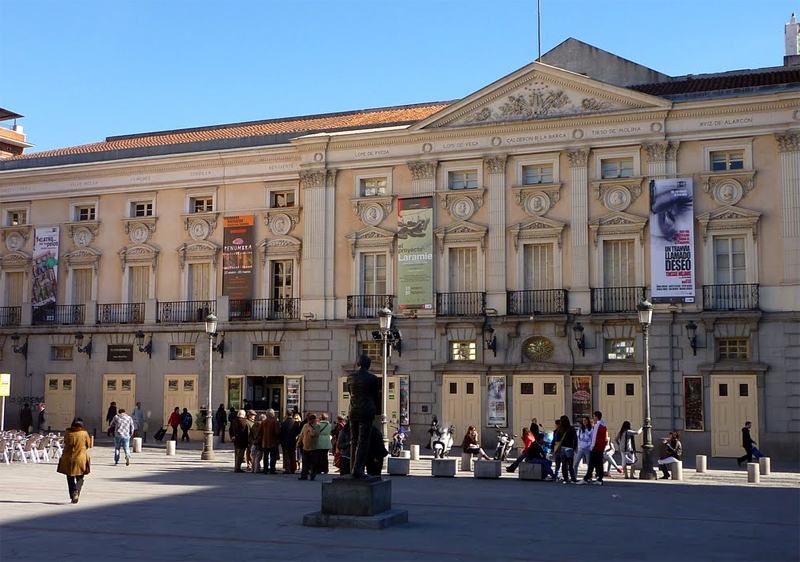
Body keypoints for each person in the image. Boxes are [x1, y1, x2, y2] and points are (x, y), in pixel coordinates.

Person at [347, 355, 380, 478]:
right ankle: (358, 469)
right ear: (369, 364)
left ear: (358, 364)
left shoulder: (350, 377)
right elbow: (376, 396)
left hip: (353, 410)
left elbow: (351, 393)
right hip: (366, 411)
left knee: (354, 439)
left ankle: (352, 468)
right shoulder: (372, 378)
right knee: (363, 440)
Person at [57, 418, 91, 503]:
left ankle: (72, 495)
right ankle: (76, 491)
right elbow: (89, 444)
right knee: (80, 477)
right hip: (80, 457)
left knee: (69, 477)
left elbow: (65, 442)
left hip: (68, 457)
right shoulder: (84, 433)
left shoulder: (68, 432)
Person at [578, 411, 607, 486]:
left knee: (592, 463)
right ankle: (599, 478)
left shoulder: (597, 425)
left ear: (596, 417)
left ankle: (587, 478)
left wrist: (592, 446)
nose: (593, 418)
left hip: (596, 447)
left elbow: (594, 437)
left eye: (594, 417)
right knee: (598, 464)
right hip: (600, 447)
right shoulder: (603, 425)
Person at [297, 413, 321, 480]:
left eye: (310, 420)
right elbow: (301, 435)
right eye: (308, 420)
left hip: (313, 448)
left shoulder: (317, 426)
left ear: (314, 420)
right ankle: (304, 475)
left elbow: (313, 434)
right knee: (305, 462)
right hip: (305, 447)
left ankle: (312, 475)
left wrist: (310, 427)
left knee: (313, 463)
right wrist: (298, 443)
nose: (309, 422)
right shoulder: (305, 426)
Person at [557, 415, 577, 483]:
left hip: (562, 447)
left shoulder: (560, 429)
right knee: (570, 464)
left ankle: (565, 478)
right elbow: (575, 438)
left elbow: (557, 438)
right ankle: (573, 479)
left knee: (564, 464)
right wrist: (574, 447)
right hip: (569, 447)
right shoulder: (571, 428)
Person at [261, 409, 281, 474]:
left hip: (265, 442)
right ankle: (272, 469)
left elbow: (260, 432)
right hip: (273, 442)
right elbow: (277, 432)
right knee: (273, 456)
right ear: (273, 414)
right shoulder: (275, 422)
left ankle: (265, 469)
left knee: (265, 456)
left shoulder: (263, 422)